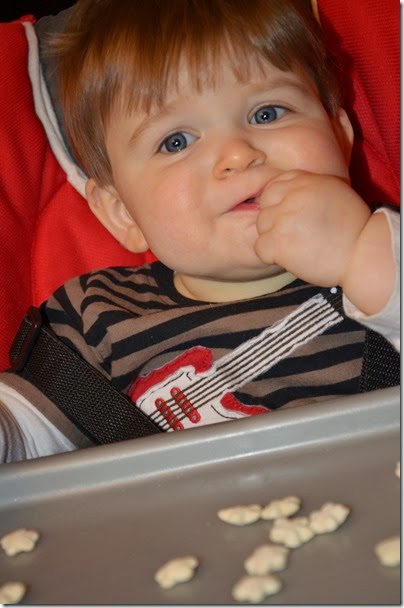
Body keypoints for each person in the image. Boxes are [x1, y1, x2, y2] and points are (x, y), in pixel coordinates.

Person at [0, 0, 399, 462]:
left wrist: (362, 258)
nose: (237, 154)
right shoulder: (96, 315)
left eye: (268, 113)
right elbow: (26, 437)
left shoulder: (387, 251)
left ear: (340, 136)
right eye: (176, 142)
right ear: (123, 213)